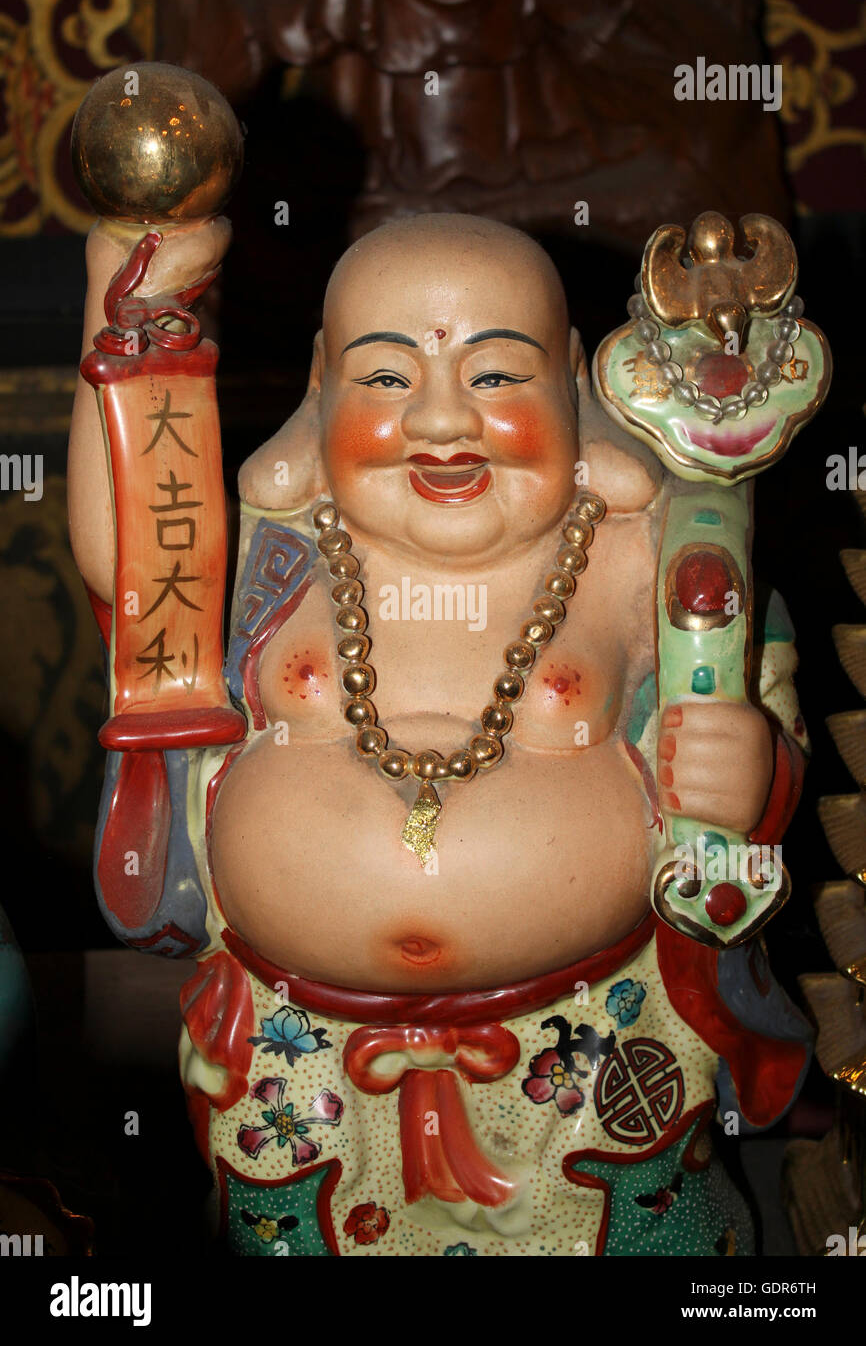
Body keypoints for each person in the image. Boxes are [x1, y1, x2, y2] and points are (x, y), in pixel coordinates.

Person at [71, 213, 811, 1256]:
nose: (439, 420)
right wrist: (133, 300)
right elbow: (140, 573)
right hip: (303, 1053)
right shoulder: (275, 559)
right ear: (321, 384)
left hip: (591, 1045)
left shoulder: (639, 554)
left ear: (568, 375)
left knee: (644, 1238)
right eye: (382, 380)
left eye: (497, 375)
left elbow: (750, 694)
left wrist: (749, 768)